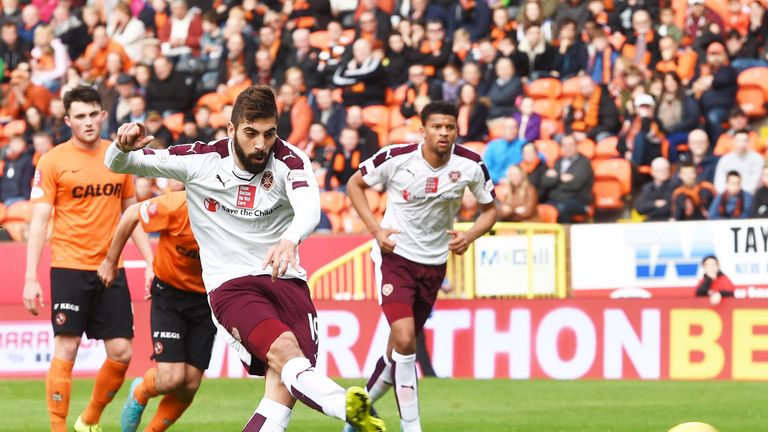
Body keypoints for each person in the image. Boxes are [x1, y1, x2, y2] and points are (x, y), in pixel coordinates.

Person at [105, 85, 385, 432]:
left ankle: (343, 408)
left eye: (269, 134)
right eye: (251, 133)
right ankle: (344, 406)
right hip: (231, 285)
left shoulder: (290, 160)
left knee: (282, 393)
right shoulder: (200, 159)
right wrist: (120, 145)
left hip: (287, 280)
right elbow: (119, 163)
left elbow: (310, 207)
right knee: (285, 351)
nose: (260, 144)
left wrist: (290, 239)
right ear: (231, 129)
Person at [345, 101, 497, 432]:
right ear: (423, 130)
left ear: (458, 130)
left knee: (396, 352)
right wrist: (376, 229)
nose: (444, 133)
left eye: (450, 127)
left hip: (434, 263)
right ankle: (411, 426)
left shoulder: (471, 165)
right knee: (404, 339)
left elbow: (490, 210)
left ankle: (354, 419)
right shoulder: (397, 158)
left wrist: (469, 235)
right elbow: (354, 184)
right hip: (395, 257)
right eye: (437, 127)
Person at [23, 86, 154, 432]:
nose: (87, 122)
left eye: (92, 114)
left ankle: (90, 419)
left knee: (123, 353)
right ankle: (58, 428)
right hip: (68, 265)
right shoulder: (52, 161)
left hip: (111, 267)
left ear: (102, 115)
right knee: (66, 347)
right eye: (79, 116)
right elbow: (39, 221)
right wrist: (30, 276)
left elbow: (130, 212)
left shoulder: (118, 155)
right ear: (68, 121)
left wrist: (151, 261)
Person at [96, 185, 214, 432]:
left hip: (207, 300)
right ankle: (140, 390)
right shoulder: (174, 205)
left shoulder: (234, 215)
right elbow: (130, 215)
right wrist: (110, 262)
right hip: (170, 295)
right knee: (171, 379)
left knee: (190, 384)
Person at [542, 134, 594, 223]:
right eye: (564, 145)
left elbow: (575, 185)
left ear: (576, 146)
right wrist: (561, 178)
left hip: (577, 201)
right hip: (556, 199)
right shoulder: (558, 161)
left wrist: (555, 179)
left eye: (570, 145)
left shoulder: (584, 162)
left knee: (562, 208)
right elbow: (545, 182)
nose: (567, 148)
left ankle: (566, 236)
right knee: (540, 209)